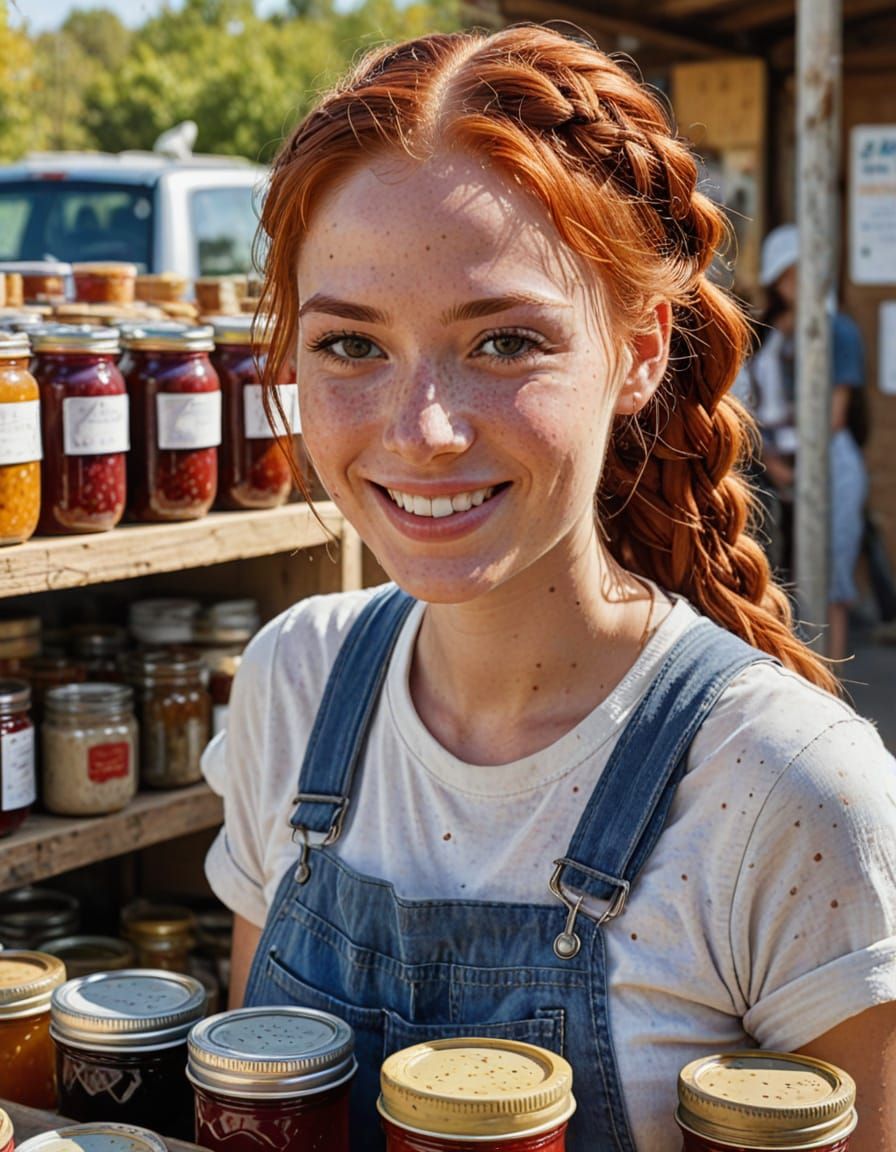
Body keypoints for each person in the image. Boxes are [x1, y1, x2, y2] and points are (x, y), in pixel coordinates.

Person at [201, 28, 896, 1152]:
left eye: (504, 340)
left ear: (637, 351)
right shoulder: (294, 680)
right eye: (349, 346)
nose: (422, 430)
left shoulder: (789, 793)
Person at [746, 223, 869, 662]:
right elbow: (744, 403)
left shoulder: (838, 331)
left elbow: (835, 416)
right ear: (777, 279)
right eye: (791, 273)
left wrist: (794, 465)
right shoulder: (761, 332)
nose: (801, 282)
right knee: (776, 579)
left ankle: (828, 681)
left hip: (827, 463)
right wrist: (769, 459)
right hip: (768, 466)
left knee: (830, 574)